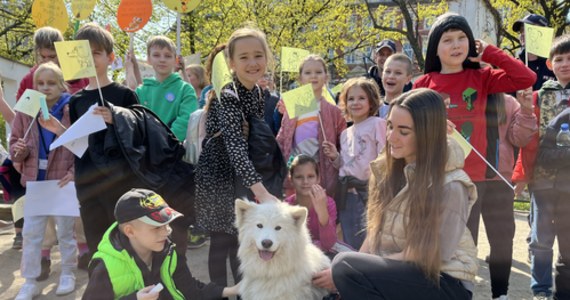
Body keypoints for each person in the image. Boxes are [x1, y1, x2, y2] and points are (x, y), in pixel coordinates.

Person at [313, 88, 478, 299]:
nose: (391, 137)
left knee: (345, 266)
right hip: (399, 271)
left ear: (428, 134)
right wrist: (343, 278)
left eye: (404, 131)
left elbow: (426, 256)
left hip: (444, 282)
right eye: (390, 126)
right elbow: (374, 235)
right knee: (342, 269)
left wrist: (347, 272)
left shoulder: (452, 184)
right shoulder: (385, 172)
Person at [412, 12, 535, 245]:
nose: (456, 45)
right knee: (451, 244)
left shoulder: (482, 77)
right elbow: (411, 128)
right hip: (440, 175)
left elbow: (526, 77)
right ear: (435, 48)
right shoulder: (423, 84)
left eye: (462, 38)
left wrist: (490, 52)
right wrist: (432, 125)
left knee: (483, 245)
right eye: (447, 40)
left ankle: (485, 284)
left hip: (477, 177)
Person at [195, 27, 280, 288]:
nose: (252, 63)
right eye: (243, 57)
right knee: (222, 241)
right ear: (231, 62)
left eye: (258, 55)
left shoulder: (257, 93)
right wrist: (262, 192)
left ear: (267, 58)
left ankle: (245, 292)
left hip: (242, 175)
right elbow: (234, 146)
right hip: (219, 176)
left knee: (241, 239)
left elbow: (254, 138)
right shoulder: (228, 95)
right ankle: (220, 292)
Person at [83, 188, 239, 300]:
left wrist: (232, 290)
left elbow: (189, 289)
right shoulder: (106, 268)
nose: (166, 232)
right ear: (130, 231)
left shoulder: (169, 251)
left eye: (167, 224)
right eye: (156, 227)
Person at [68, 23, 139, 257]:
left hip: (119, 180)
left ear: (110, 57)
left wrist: (116, 118)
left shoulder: (124, 95)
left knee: (125, 241)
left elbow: (138, 135)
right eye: (84, 53)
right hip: (87, 182)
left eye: (96, 52)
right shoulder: (76, 100)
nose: (90, 58)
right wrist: (56, 129)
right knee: (97, 244)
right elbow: (77, 141)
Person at [11, 62, 77, 299]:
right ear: (34, 85)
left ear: (61, 85)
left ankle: (68, 272)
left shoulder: (72, 108)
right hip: (36, 182)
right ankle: (29, 281)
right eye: (41, 83)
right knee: (31, 233)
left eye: (51, 83)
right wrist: (18, 150)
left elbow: (82, 144)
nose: (46, 87)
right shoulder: (26, 109)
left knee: (66, 233)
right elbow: (15, 144)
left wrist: (75, 172)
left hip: (63, 182)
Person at [512, 34, 570, 300]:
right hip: (543, 180)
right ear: (549, 63)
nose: (565, 64)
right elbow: (528, 141)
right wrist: (522, 175)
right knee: (541, 240)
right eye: (559, 59)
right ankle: (541, 290)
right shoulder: (538, 97)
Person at [477, 91, 538, 299]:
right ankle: (461, 290)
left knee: (502, 240)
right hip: (467, 178)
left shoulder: (509, 101)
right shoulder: (464, 94)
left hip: (499, 179)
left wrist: (527, 111)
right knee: (463, 238)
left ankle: (500, 293)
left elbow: (519, 139)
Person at [322, 77, 386, 249]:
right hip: (347, 193)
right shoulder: (345, 133)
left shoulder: (378, 124)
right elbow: (345, 164)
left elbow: (384, 155)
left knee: (368, 238)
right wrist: (335, 157)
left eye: (361, 98)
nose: (355, 102)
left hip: (368, 191)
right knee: (350, 236)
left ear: (371, 101)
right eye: (351, 99)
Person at [276, 54, 346, 197]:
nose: (313, 76)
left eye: (318, 72)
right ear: (300, 79)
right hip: (295, 172)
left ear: (326, 77)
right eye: (308, 73)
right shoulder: (294, 106)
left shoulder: (334, 111)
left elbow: (342, 142)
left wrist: (335, 157)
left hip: (321, 173)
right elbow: (283, 139)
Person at [132, 36, 198, 141]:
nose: (162, 60)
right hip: (145, 150)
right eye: (156, 55)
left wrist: (165, 142)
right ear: (148, 59)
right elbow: (134, 121)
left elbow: (186, 120)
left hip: (173, 149)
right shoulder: (140, 91)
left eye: (168, 56)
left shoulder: (185, 89)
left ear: (175, 60)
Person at [284, 154, 338, 253]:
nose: (305, 182)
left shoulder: (328, 203)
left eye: (310, 176)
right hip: (298, 255)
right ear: (291, 180)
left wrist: (322, 211)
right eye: (299, 177)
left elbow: (329, 244)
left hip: (325, 254)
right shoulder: (286, 206)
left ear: (318, 179)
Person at [16, 26, 89, 100]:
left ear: (61, 53)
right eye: (43, 57)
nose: (47, 62)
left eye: (52, 57)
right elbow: (19, 111)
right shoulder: (29, 80)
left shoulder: (81, 77)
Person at [512, 14, 556, 92]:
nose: (523, 34)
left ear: (543, 32)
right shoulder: (514, 64)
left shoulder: (555, 65)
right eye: (522, 30)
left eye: (529, 29)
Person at [379, 53, 413, 119]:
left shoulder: (411, 111)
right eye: (388, 71)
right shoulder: (371, 108)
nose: (391, 76)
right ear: (382, 75)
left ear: (408, 79)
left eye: (398, 73)